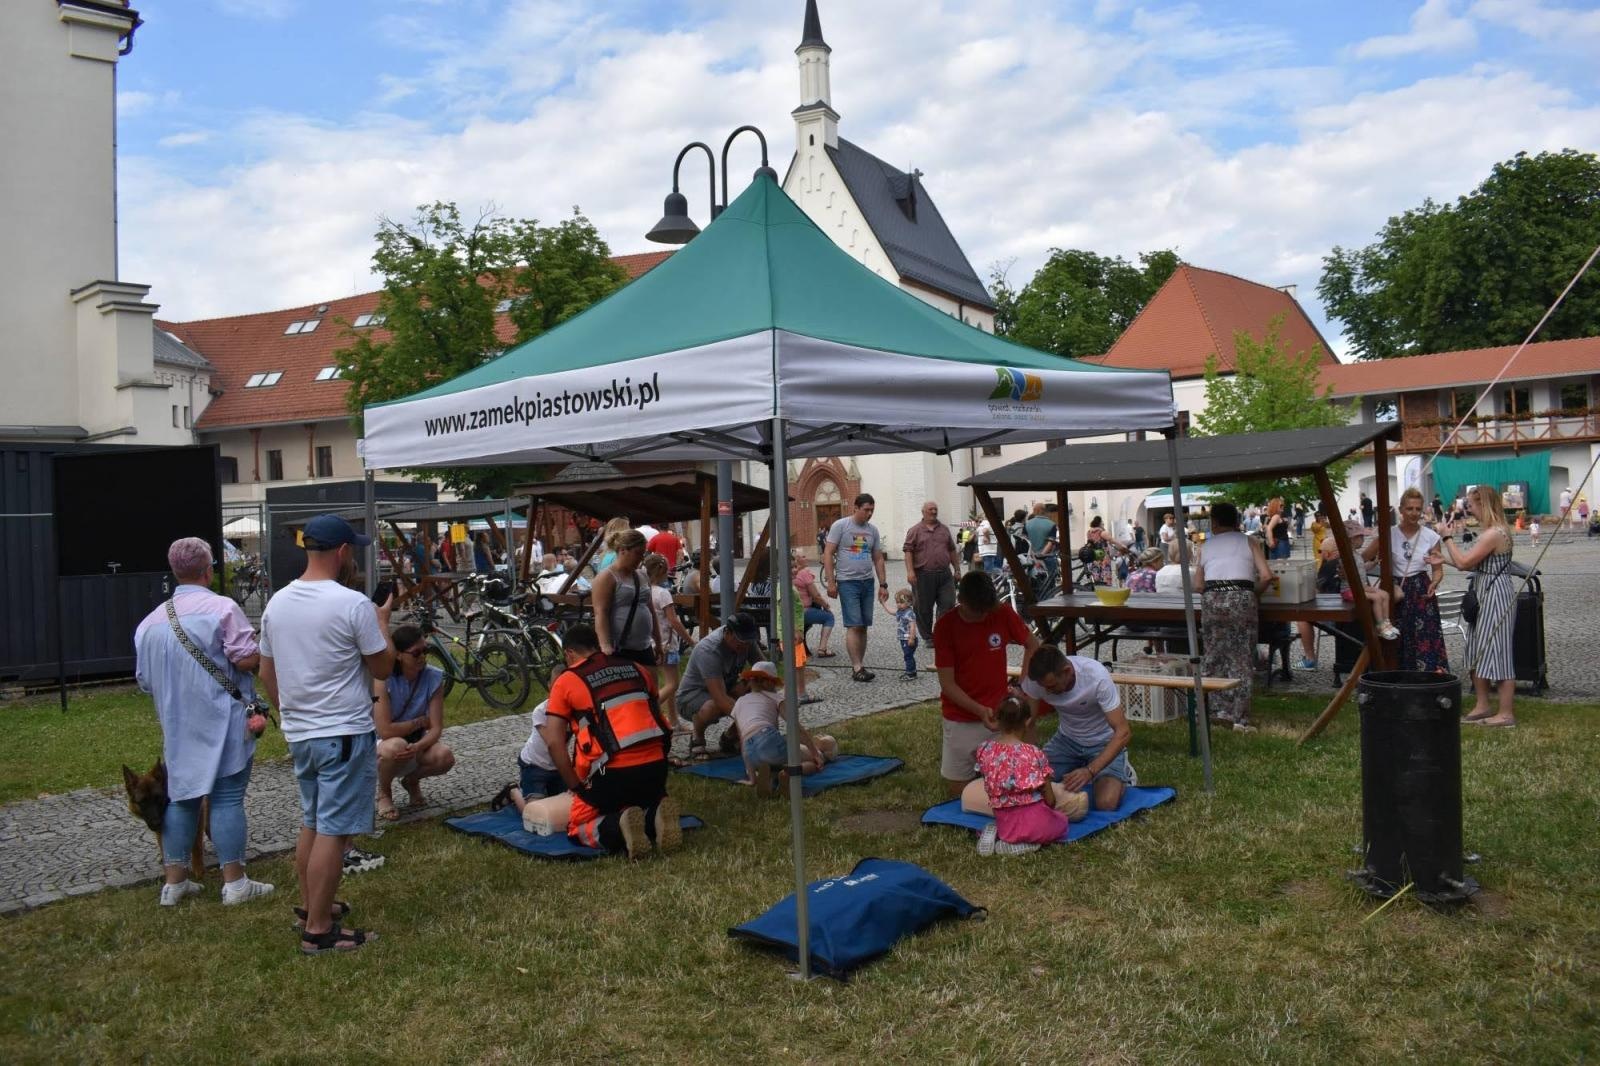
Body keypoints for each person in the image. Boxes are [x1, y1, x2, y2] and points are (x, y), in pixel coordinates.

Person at [260, 513, 394, 955]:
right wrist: (382, 625)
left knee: (313, 822)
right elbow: (382, 667)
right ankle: (318, 930)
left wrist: (290, 713)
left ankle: (312, 905)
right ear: (341, 552)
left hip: (302, 733)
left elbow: (266, 670)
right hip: (343, 731)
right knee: (334, 832)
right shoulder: (351, 604)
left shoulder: (276, 603)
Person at [134, 536, 274, 908]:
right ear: (209, 570)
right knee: (227, 798)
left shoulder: (148, 623)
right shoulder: (223, 609)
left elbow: (145, 681)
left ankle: (175, 884)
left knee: (182, 799)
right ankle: (235, 883)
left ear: (175, 571)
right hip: (223, 720)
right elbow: (246, 660)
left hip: (177, 725)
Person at [539, 625, 679, 857]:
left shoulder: (567, 680)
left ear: (569, 654)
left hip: (611, 774)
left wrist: (576, 788)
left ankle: (617, 829)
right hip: (656, 769)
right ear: (596, 645)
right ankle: (653, 815)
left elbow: (554, 743)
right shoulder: (637, 668)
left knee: (577, 827)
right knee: (637, 801)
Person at [932, 570, 1041, 797]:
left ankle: (997, 778)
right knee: (958, 792)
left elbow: (1032, 645)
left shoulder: (1002, 612)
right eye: (976, 611)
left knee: (1027, 778)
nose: (983, 616)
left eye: (986, 610)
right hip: (960, 716)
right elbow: (948, 685)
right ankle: (988, 779)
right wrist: (980, 710)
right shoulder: (945, 626)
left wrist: (1022, 686)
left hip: (1001, 713)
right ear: (961, 601)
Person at [1435, 486, 1519, 728]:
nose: (1469, 509)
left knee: (1498, 651)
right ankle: (1483, 706)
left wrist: (1447, 538)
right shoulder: (1492, 531)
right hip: (1485, 592)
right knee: (1476, 648)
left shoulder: (1494, 533)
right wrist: (1445, 560)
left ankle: (1505, 713)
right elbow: (1475, 565)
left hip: (1496, 597)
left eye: (1471, 504)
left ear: (1483, 504)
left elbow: (1464, 563)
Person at [1020, 646, 1133, 811]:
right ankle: (1075, 767)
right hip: (1066, 741)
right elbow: (1028, 723)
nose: (1047, 691)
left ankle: (1123, 771)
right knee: (1029, 786)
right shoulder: (1038, 682)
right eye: (1044, 687)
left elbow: (1123, 732)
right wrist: (1031, 758)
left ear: (1067, 671)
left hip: (1103, 742)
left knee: (1106, 803)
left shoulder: (1096, 676)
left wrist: (1090, 771)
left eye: (1051, 686)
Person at [1194, 502, 1273, 732]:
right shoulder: (1249, 541)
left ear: (1214, 522)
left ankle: (1214, 712)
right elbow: (1267, 576)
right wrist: (1251, 592)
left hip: (1213, 600)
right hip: (1242, 599)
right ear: (1237, 521)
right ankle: (1240, 718)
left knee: (1213, 655)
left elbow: (1198, 585)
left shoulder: (1205, 546)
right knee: (1241, 658)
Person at [372, 624, 455, 821]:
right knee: (395, 746)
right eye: (416, 653)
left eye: (426, 650)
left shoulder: (434, 677)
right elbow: (385, 730)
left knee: (445, 757)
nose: (423, 657)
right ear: (399, 655)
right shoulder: (383, 679)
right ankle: (384, 793)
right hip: (381, 745)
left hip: (415, 741)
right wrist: (419, 722)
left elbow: (436, 728)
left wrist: (418, 746)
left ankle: (411, 781)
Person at [1364, 487, 1447, 673]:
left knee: (1423, 635)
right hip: (1395, 590)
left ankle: (1426, 676)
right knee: (1396, 634)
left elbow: (1438, 569)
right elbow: (1364, 557)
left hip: (1420, 589)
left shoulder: (1431, 536)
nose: (1414, 513)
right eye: (1410, 508)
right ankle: (1396, 674)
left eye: (1418, 509)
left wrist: (1435, 581)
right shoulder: (1388, 533)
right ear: (1401, 509)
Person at [972, 697, 1068, 857]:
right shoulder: (1034, 753)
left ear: (998, 719)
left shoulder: (985, 749)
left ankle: (1000, 833)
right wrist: (1051, 808)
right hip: (1034, 819)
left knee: (1013, 823)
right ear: (1027, 721)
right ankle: (1024, 844)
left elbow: (982, 776)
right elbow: (1049, 798)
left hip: (1004, 818)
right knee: (1061, 823)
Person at [732, 661, 836, 795]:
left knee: (773, 761)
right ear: (769, 683)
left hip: (751, 753)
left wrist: (751, 778)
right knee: (813, 761)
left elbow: (742, 741)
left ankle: (769, 776)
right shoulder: (775, 697)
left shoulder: (739, 702)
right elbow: (794, 726)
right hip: (768, 740)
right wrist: (815, 752)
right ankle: (790, 773)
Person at [823, 493, 889, 683]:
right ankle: (857, 667)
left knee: (864, 626)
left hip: (867, 582)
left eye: (872, 510)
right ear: (856, 508)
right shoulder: (841, 526)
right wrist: (831, 582)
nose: (869, 514)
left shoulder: (872, 531)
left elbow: (878, 558)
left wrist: (883, 584)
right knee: (854, 624)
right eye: (866, 510)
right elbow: (828, 553)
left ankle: (860, 664)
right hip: (847, 582)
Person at [677, 611, 762, 757]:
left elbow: (763, 671)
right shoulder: (709, 650)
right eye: (740, 642)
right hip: (691, 697)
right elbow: (720, 699)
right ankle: (697, 738)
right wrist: (751, 722)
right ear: (727, 632)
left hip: (724, 688)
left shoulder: (747, 641)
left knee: (759, 686)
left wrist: (771, 703)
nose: (745, 646)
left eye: (748, 642)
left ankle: (729, 737)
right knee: (713, 707)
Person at [591, 527, 660, 668]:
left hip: (644, 646)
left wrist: (658, 641)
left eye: (643, 554)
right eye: (638, 553)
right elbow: (600, 612)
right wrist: (605, 645)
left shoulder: (642, 575)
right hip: (620, 648)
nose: (641, 558)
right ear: (623, 550)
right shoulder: (607, 577)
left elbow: (651, 609)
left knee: (650, 687)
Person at [645, 553, 693, 723]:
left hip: (649, 644)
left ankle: (673, 721)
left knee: (659, 685)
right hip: (666, 644)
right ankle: (649, 712)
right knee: (673, 684)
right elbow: (674, 621)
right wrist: (691, 640)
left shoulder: (645, 592)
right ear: (662, 572)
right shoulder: (663, 593)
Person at [902, 501, 959, 644]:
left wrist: (957, 569)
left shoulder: (944, 529)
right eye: (930, 509)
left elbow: (952, 550)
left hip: (944, 574)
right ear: (923, 512)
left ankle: (940, 633)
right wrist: (910, 571)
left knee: (948, 603)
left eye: (935, 509)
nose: (934, 512)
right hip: (923, 575)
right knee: (923, 608)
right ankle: (928, 637)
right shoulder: (915, 530)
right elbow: (908, 551)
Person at [792, 550, 835, 658]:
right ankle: (822, 648)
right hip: (803, 612)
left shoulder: (790, 574)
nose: (806, 558)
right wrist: (827, 606)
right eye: (803, 556)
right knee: (829, 617)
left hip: (790, 613)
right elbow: (816, 596)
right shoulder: (804, 574)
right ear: (797, 560)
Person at [1024, 502, 1059, 580]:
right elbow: (1050, 542)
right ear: (1044, 511)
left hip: (1031, 558)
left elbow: (1026, 542)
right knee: (1050, 582)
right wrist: (1041, 555)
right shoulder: (1052, 524)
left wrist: (1034, 556)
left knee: (1034, 580)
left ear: (1035, 511)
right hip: (1047, 557)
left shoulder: (1027, 524)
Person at [894, 588, 918, 680]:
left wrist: (911, 638)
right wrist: (884, 604)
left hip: (908, 638)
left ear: (909, 603)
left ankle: (910, 672)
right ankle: (912, 670)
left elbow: (912, 627)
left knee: (908, 655)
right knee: (908, 655)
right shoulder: (901, 611)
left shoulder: (909, 613)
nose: (898, 604)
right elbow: (892, 611)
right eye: (897, 602)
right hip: (904, 638)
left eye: (901, 602)